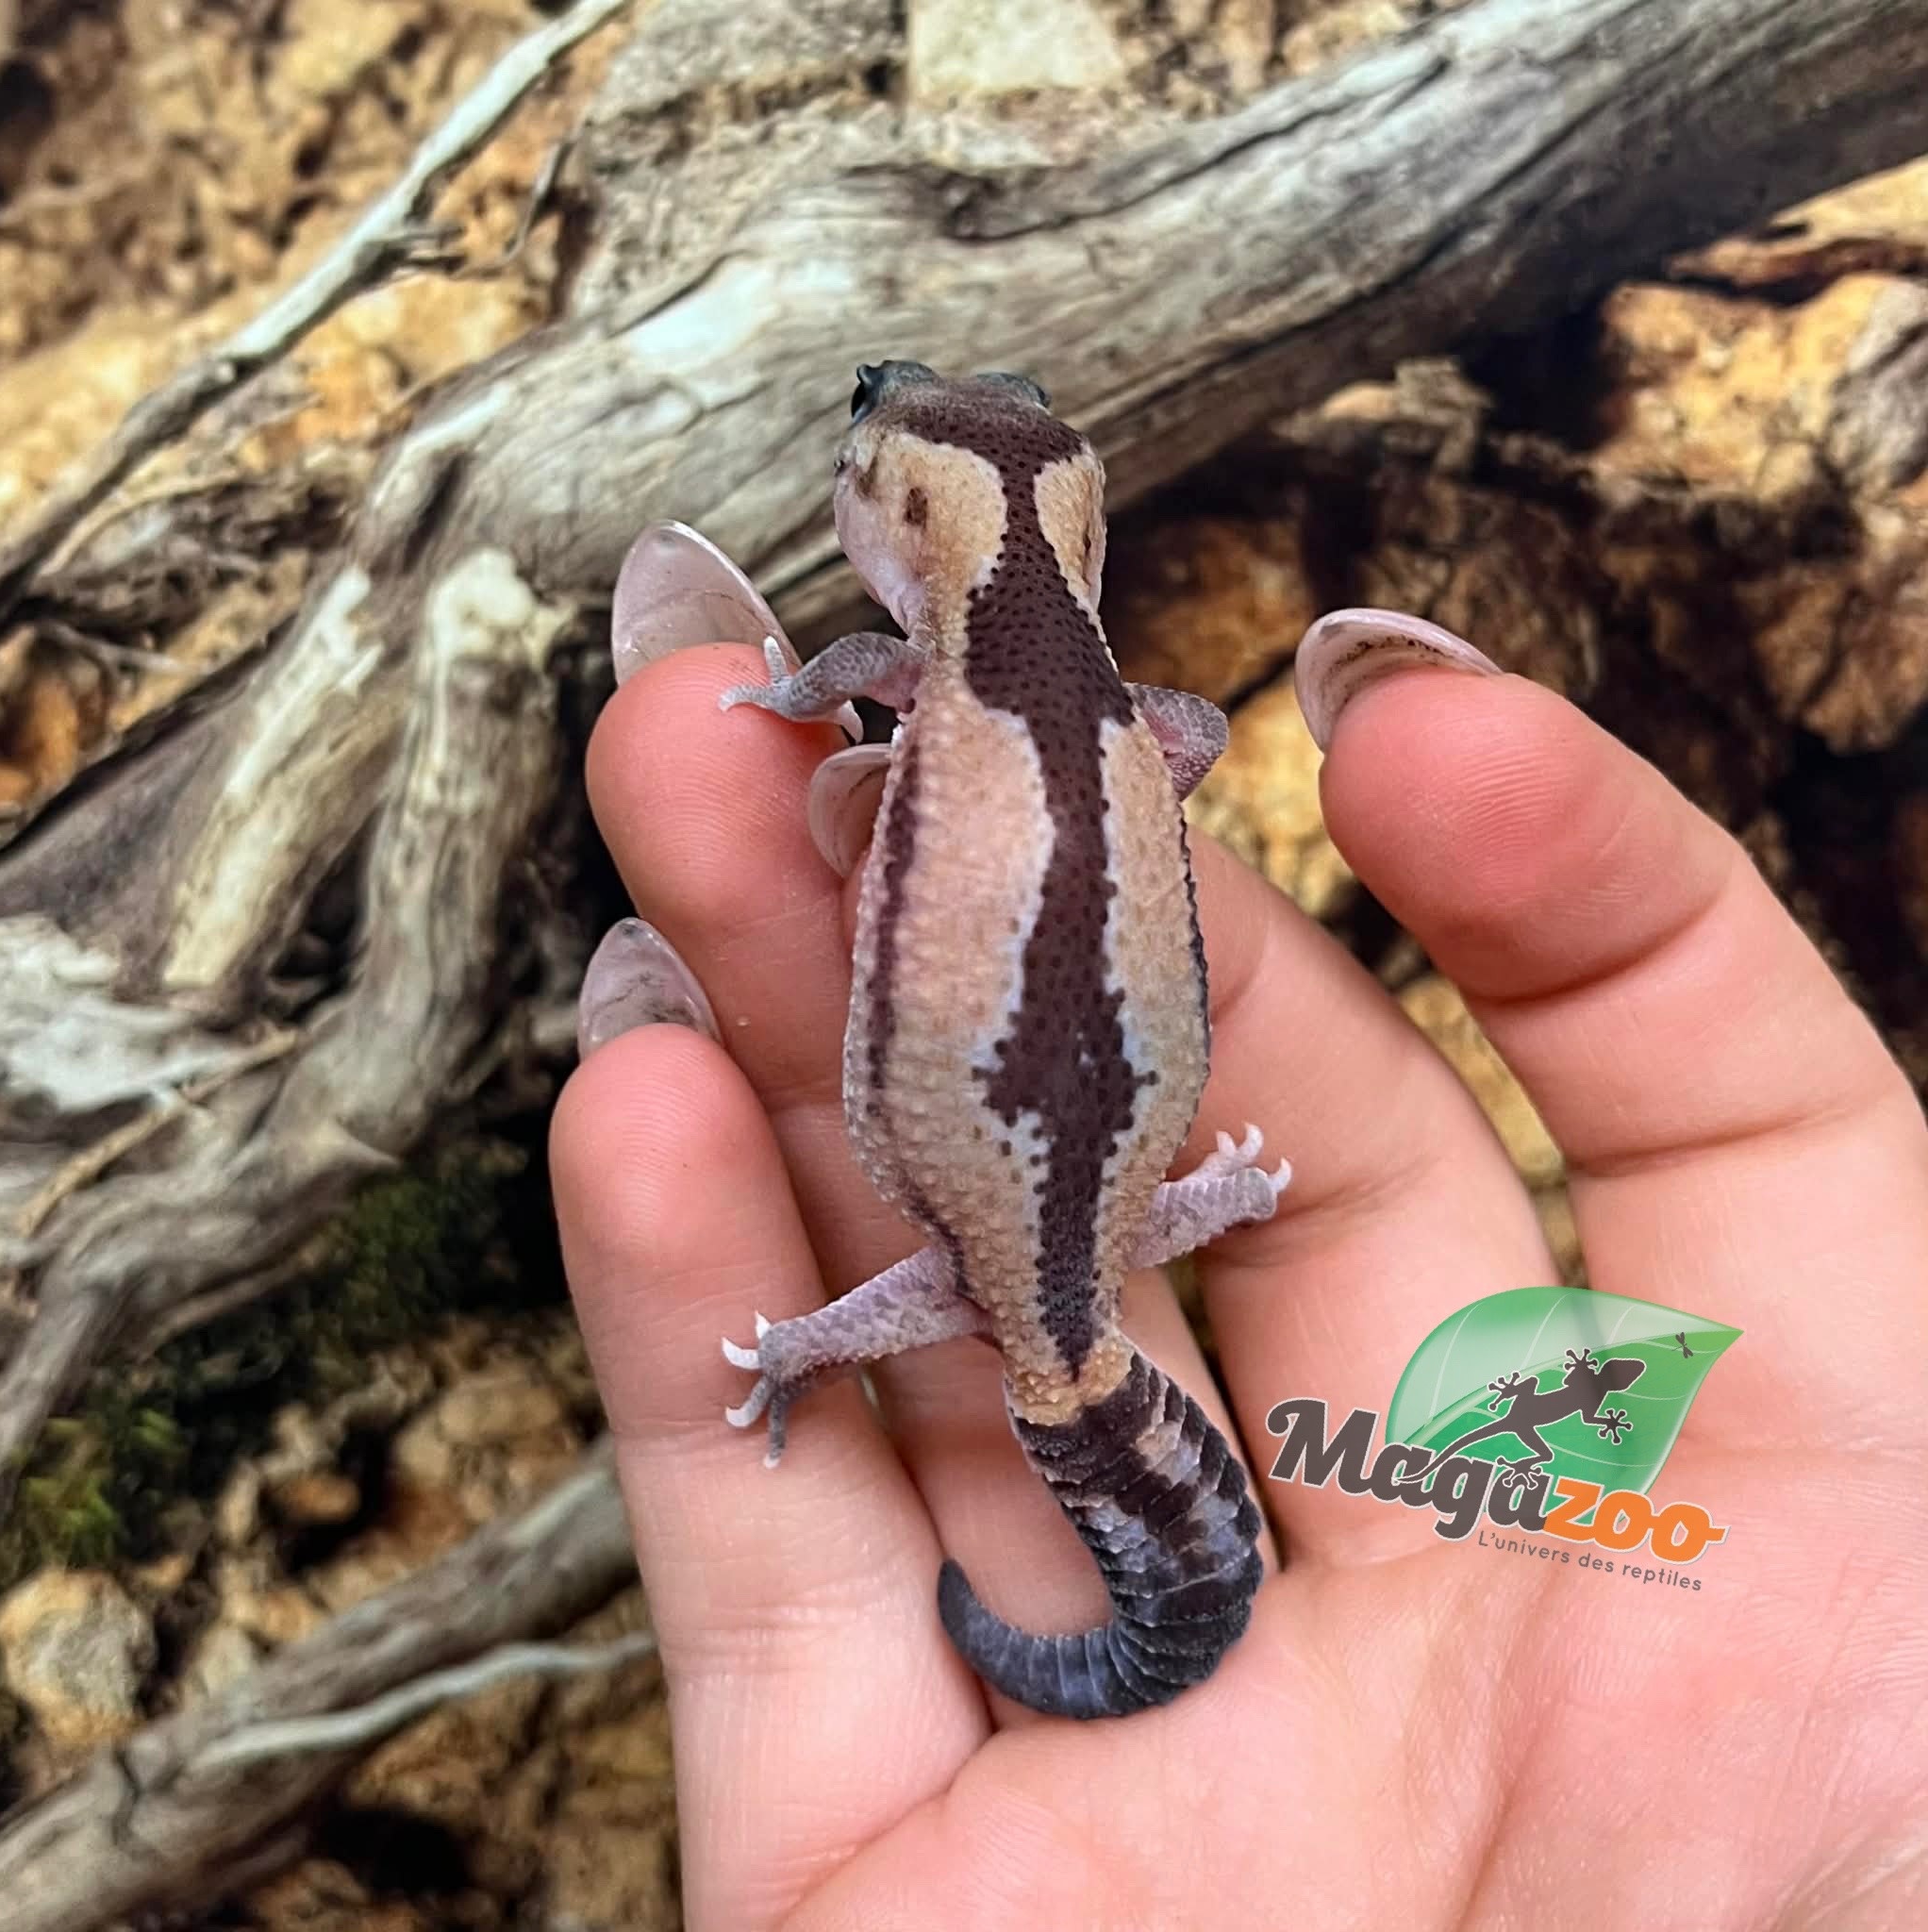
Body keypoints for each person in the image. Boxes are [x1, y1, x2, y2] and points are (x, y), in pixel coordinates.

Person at [550, 616, 1928, 1929]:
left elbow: (874, 674)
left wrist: (795, 1353)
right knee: (992, 1279)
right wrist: (1224, 1187)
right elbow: (1188, 733)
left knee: (907, 1289)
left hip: (1036, 1255)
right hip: (1063, 1246)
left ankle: (887, 1368)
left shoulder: (978, 1293)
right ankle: (1123, 1284)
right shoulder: (1101, 710)